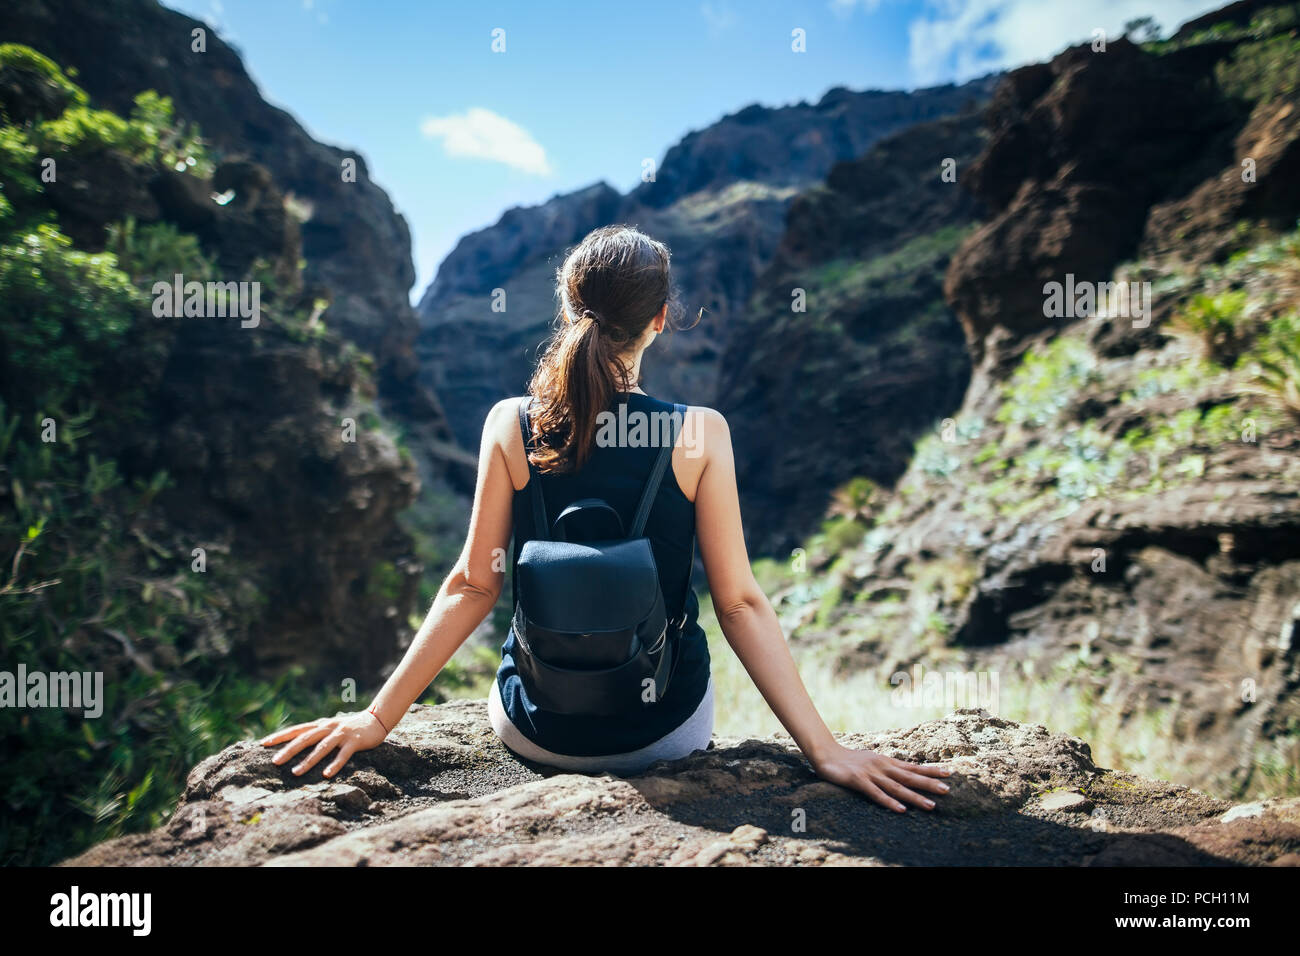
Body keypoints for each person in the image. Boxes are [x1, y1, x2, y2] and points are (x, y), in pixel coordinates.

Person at [262, 225, 951, 813]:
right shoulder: (700, 434)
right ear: (659, 321)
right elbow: (739, 603)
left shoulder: (510, 424)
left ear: (567, 309)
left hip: (536, 728)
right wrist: (825, 751)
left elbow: (473, 586)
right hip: (662, 730)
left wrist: (377, 718)